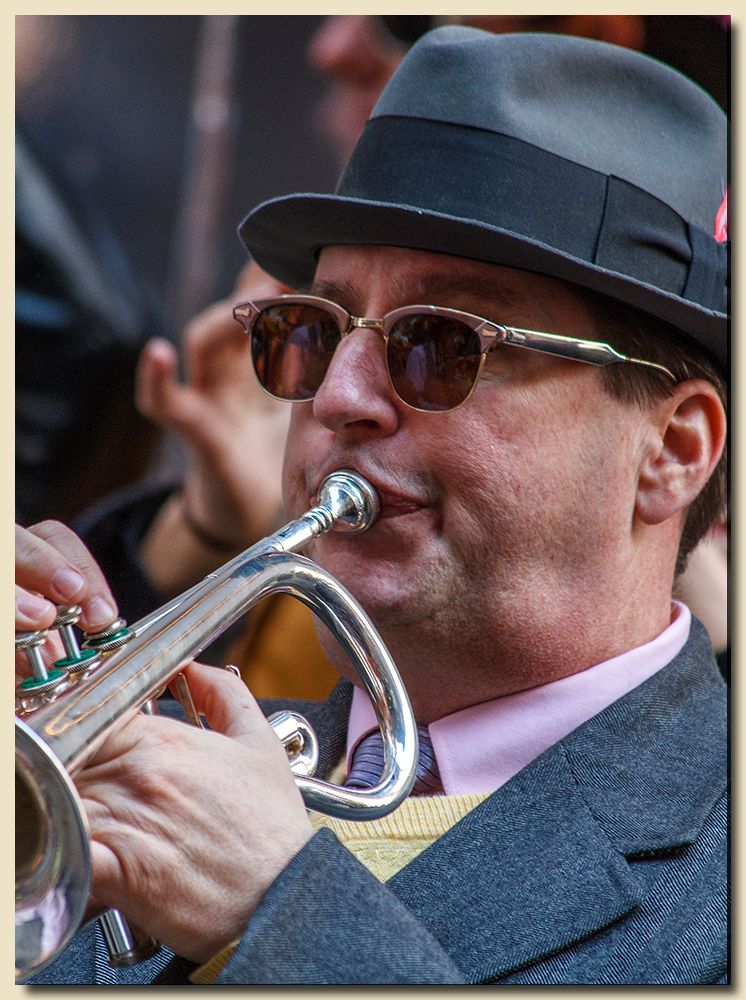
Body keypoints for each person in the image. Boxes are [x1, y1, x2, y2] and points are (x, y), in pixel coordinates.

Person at [16, 27, 728, 984]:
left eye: (439, 342)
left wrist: (280, 913)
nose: (340, 398)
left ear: (672, 452)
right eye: (309, 333)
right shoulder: (173, 765)